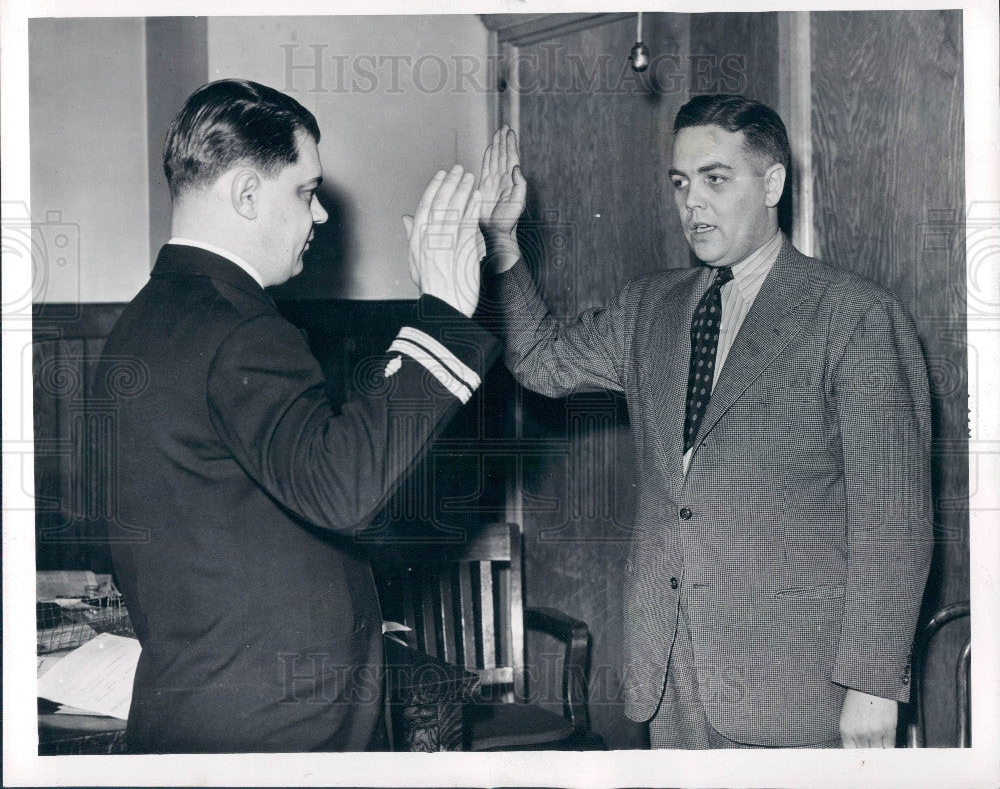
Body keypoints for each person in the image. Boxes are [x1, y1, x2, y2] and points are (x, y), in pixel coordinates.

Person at [476, 94, 933, 749]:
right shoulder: (651, 307)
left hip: (797, 686)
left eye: (716, 180)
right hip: (670, 678)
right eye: (681, 183)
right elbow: (542, 360)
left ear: (772, 182)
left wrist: (872, 685)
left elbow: (897, 524)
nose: (693, 202)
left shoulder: (854, 316)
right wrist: (501, 244)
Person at [96, 79, 495, 752]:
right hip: (276, 725)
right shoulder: (241, 329)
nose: (321, 218)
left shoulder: (145, 321)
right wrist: (445, 318)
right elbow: (343, 489)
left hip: (200, 703)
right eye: (305, 193)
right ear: (248, 194)